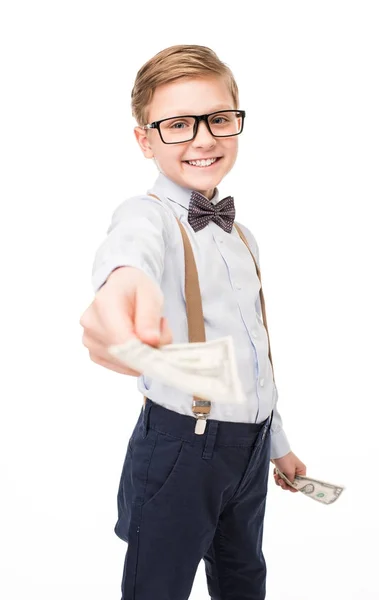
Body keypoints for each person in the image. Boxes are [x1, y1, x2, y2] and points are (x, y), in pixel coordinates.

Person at [80, 44, 307, 600]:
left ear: (235, 122)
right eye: (178, 124)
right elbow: (127, 250)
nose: (203, 138)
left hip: (249, 450)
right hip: (183, 445)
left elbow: (255, 353)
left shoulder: (243, 236)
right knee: (159, 586)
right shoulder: (147, 216)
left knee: (244, 579)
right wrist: (122, 283)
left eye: (218, 119)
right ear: (145, 140)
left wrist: (276, 444)